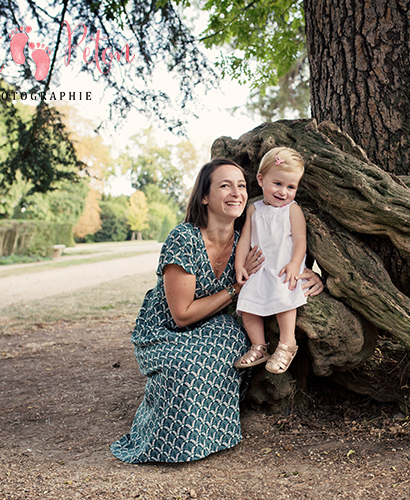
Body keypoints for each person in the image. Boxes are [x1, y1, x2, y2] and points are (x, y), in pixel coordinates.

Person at [110, 158, 324, 464]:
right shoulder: (183, 238)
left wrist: (311, 274)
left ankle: (213, 436)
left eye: (240, 185)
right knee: (181, 368)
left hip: (216, 324)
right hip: (166, 329)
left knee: (228, 355)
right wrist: (235, 289)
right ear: (205, 196)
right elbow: (180, 314)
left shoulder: (244, 240)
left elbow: (284, 250)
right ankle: (162, 442)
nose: (236, 192)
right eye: (225, 185)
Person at [233, 147, 308, 374]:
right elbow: (245, 240)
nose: (283, 192)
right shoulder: (253, 210)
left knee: (283, 293)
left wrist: (295, 263)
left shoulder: (292, 210)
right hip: (260, 268)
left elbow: (300, 240)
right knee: (247, 301)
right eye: (278, 184)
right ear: (261, 179)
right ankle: (259, 346)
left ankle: (287, 343)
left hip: (283, 266)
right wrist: (239, 264)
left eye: (291, 187)